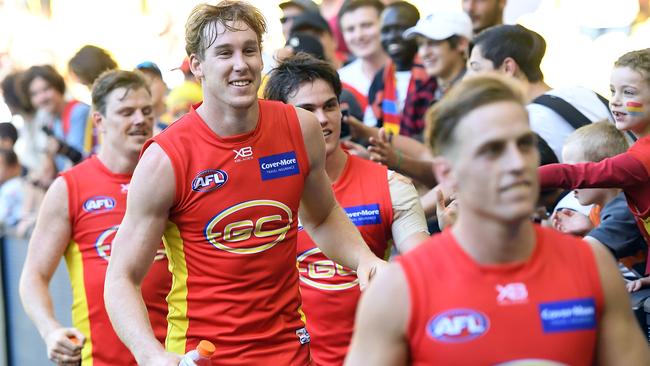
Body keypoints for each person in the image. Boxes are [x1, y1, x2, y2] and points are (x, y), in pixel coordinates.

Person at [103, 2, 385, 365]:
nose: (242, 64)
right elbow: (121, 277)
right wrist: (151, 355)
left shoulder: (300, 127)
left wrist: (364, 260)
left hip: (290, 351)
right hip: (205, 357)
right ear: (197, 65)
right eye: (225, 52)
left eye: (249, 50)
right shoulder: (165, 158)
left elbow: (322, 215)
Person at [345, 74, 650, 365]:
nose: (517, 163)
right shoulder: (398, 288)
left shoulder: (591, 265)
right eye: (492, 150)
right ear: (447, 173)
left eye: (524, 144)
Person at [265, 53, 428, 366]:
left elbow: (424, 267)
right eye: (307, 109)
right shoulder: (262, 192)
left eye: (329, 105)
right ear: (281, 117)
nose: (323, 119)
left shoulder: (391, 185)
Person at [19, 70, 170, 365]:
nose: (140, 120)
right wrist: (51, 331)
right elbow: (33, 277)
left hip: (172, 355)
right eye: (127, 112)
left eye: (146, 111)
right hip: (101, 359)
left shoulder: (171, 178)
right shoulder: (70, 187)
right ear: (99, 121)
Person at [539, 48, 650, 285]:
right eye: (612, 91)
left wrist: (520, 177)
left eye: (628, 92)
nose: (616, 100)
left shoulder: (643, 158)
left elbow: (581, 173)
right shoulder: (639, 150)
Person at [467, 24, 612, 162]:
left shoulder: (524, 123)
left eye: (476, 68)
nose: (468, 78)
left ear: (508, 68)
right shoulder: (583, 94)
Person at [552, 121, 647, 276]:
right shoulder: (597, 212)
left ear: (603, 170)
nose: (570, 182)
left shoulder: (627, 205)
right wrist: (589, 228)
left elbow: (587, 254)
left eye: (575, 172)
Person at [400, 10, 472, 139]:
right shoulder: (419, 94)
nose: (424, 53)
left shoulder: (477, 91)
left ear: (462, 43)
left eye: (433, 43)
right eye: (420, 44)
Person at [365, 1, 431, 133]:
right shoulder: (380, 79)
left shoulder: (432, 75)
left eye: (400, 28)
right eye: (386, 31)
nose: (392, 37)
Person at [20, 65, 93, 169]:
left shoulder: (78, 112)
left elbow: (83, 161)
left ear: (58, 87)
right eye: (34, 94)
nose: (41, 98)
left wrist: (63, 149)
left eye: (46, 89)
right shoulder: (52, 121)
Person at [337, 0, 388, 108]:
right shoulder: (339, 80)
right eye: (350, 29)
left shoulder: (408, 71)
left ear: (385, 24)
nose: (359, 35)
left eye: (366, 25)